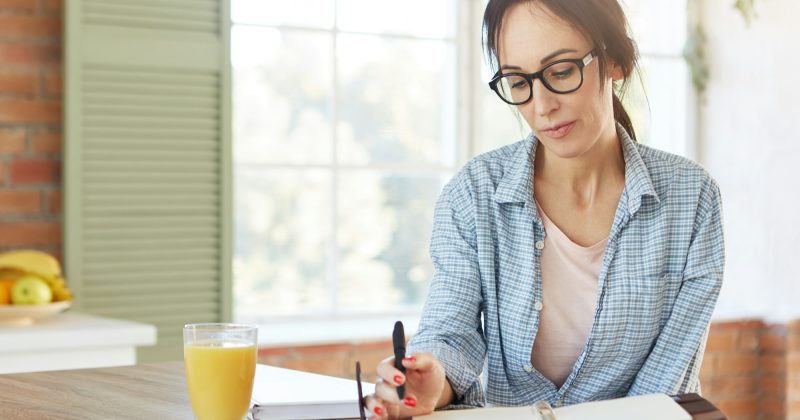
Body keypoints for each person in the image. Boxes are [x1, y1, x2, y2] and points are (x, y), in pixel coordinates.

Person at [363, 0, 725, 418]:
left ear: (616, 61)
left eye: (561, 71)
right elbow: (451, 334)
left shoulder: (691, 198)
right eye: (518, 82)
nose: (542, 105)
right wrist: (432, 380)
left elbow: (667, 380)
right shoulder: (473, 194)